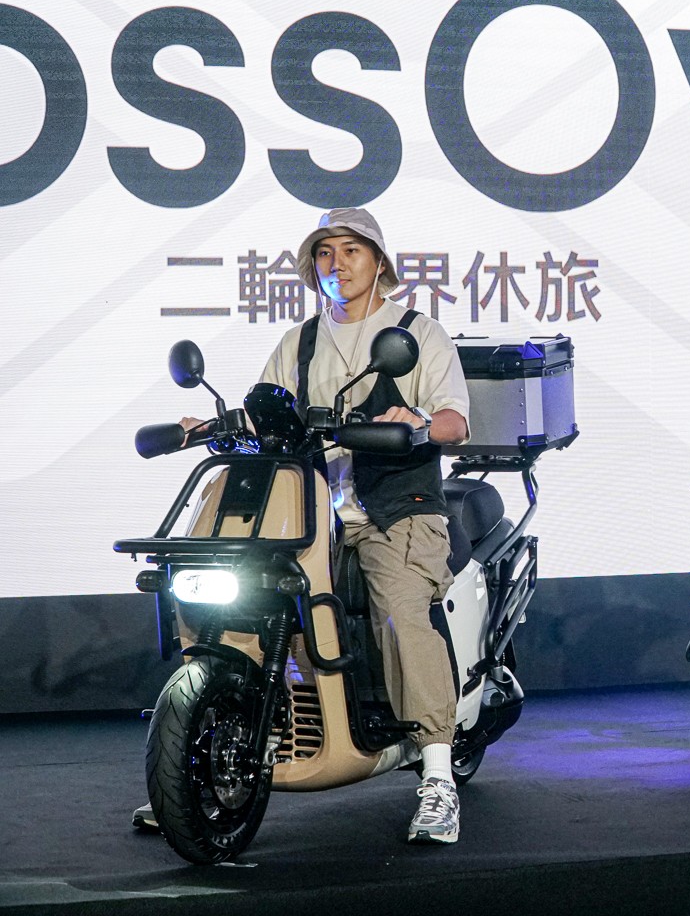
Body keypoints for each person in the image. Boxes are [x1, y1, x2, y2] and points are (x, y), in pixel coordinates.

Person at [136, 207, 472, 844]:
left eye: (350, 250)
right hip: (311, 516)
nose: (336, 263)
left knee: (400, 610)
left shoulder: (416, 334)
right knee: (240, 601)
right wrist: (207, 426)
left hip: (395, 509)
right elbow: (265, 412)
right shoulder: (300, 342)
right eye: (324, 252)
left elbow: (455, 421)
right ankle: (189, 772)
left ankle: (436, 775)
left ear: (378, 262)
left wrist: (420, 421)